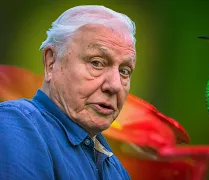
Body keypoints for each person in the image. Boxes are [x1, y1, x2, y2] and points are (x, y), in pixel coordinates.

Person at [0, 5, 136, 180]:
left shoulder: (114, 167)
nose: (115, 85)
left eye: (124, 71)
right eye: (96, 63)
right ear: (51, 62)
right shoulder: (16, 125)